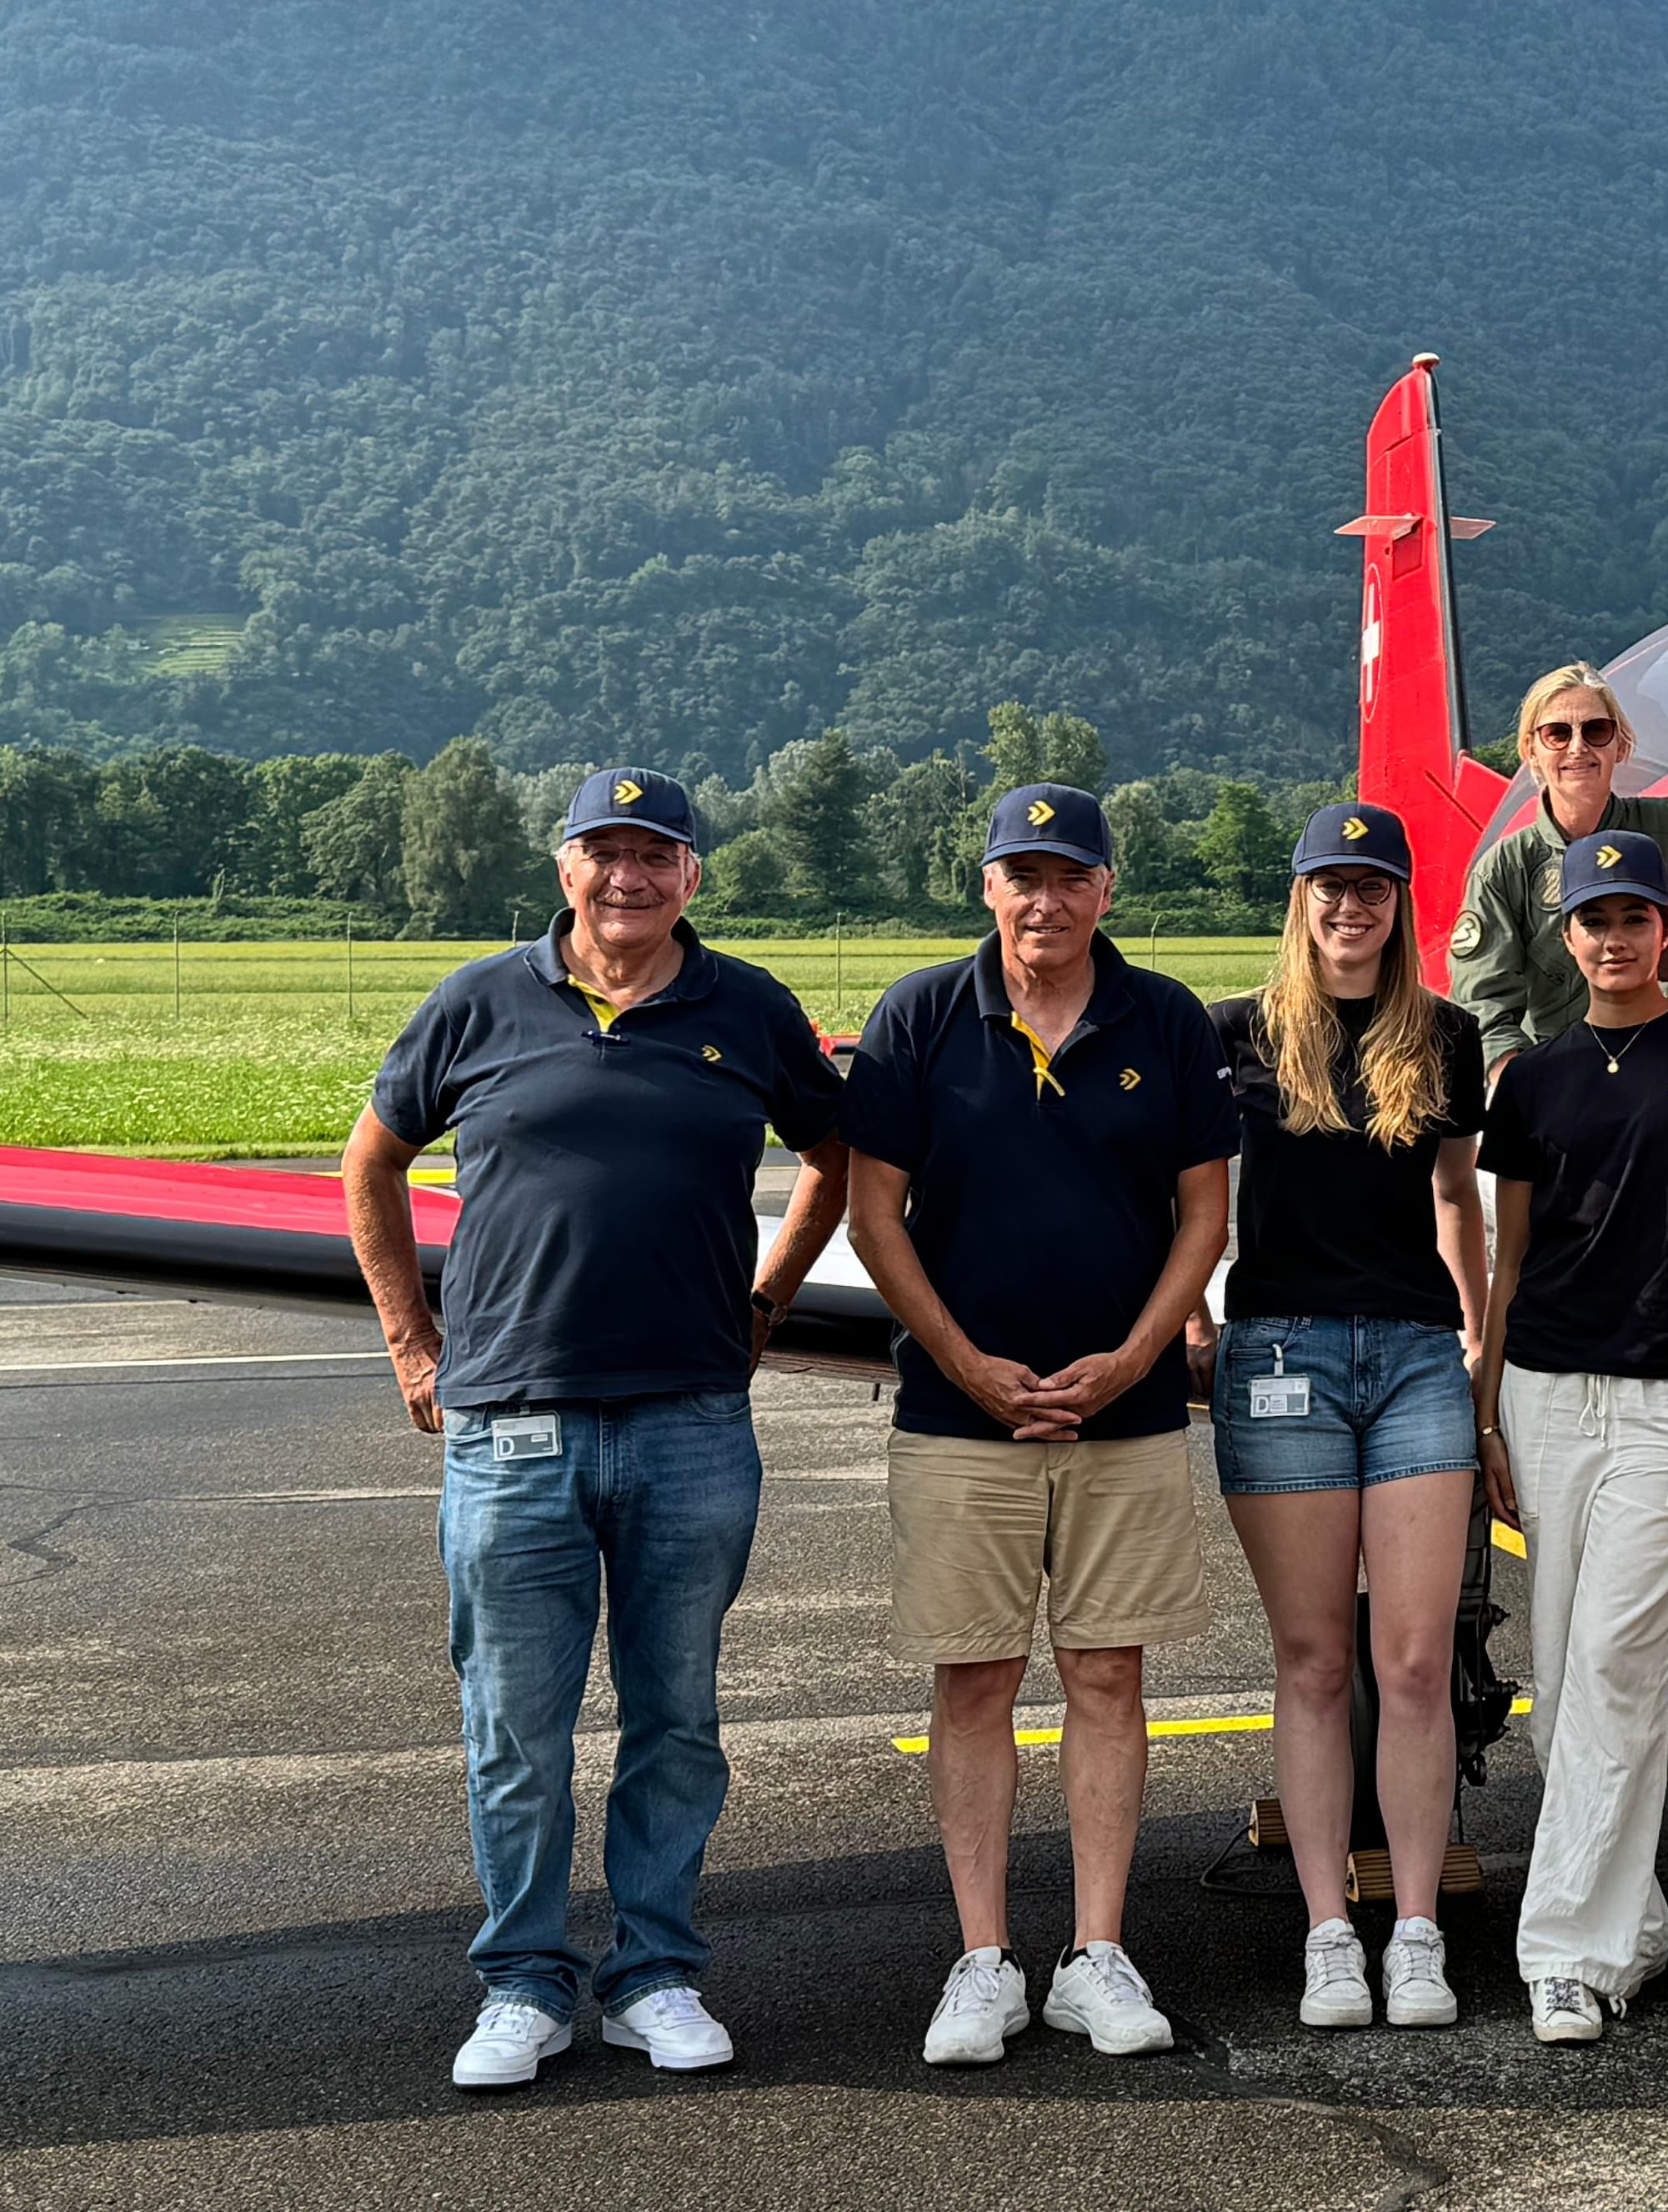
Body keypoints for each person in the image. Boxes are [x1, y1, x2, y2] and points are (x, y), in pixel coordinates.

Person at [344, 766, 848, 2091]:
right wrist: (412, 1340)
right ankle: (521, 1982)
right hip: (510, 1419)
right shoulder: (479, 999)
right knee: (516, 1724)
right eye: (600, 854)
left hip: (690, 1420)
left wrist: (775, 1292)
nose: (626, 879)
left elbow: (836, 1154)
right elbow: (371, 1159)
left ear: (694, 875)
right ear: (561, 866)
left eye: (654, 856)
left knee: (675, 1717)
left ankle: (655, 1974)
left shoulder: (749, 1007)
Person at [840, 783, 1239, 2069]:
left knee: (1110, 1674)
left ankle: (1095, 1955)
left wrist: (1135, 1360)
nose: (1047, 899)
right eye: (1024, 874)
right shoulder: (918, 1015)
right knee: (973, 1677)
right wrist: (964, 1360)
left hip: (1121, 1418)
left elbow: (1202, 1216)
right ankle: (981, 1962)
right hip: (960, 1416)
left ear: (1107, 891)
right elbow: (875, 1215)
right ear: (988, 886)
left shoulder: (1163, 1018)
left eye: (1071, 876)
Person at [1474, 828, 1668, 2046]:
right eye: (1593, 919)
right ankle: (1635, 1917)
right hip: (1547, 1393)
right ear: (1567, 934)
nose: (1614, 937)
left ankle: (1570, 1957)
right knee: (1566, 1697)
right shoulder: (1534, 1079)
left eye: (1635, 917)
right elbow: (1511, 1256)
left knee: (1610, 1665)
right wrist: (1490, 1398)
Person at [1206, 802, 1488, 2032]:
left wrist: (1479, 1343)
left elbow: (1454, 1197)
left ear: (1400, 902)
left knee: (1415, 1661)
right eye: (1329, 882)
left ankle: (1415, 1928)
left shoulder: (1446, 1034)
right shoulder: (1239, 1034)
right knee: (1316, 1661)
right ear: (1301, 895)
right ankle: (1330, 1930)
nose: (1349, 904)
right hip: (1279, 1356)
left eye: (1371, 885)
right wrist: (1190, 1318)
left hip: (1419, 1357)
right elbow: (1196, 1199)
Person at [1450, 663, 1668, 1083]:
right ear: (1531, 751)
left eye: (1596, 731)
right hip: (1551, 1071)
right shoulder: (1505, 869)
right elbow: (1483, 1004)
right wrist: (1527, 1089)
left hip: (1659, 1060)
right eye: (1557, 734)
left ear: (1621, 744)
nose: (1578, 747)